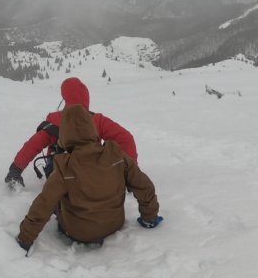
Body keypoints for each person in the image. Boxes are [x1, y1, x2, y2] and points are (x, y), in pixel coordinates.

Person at [15, 102, 161, 251]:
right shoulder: (116, 154)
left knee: (55, 195)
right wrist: (149, 217)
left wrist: (25, 238)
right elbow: (144, 185)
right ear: (91, 127)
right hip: (115, 224)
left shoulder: (65, 166)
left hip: (79, 233)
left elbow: (43, 204)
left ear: (65, 133)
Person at [4, 77, 137, 188]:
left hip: (59, 176)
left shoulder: (54, 120)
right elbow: (126, 138)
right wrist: (129, 174)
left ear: (65, 98)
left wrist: (15, 169)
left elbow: (33, 145)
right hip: (93, 174)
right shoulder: (98, 120)